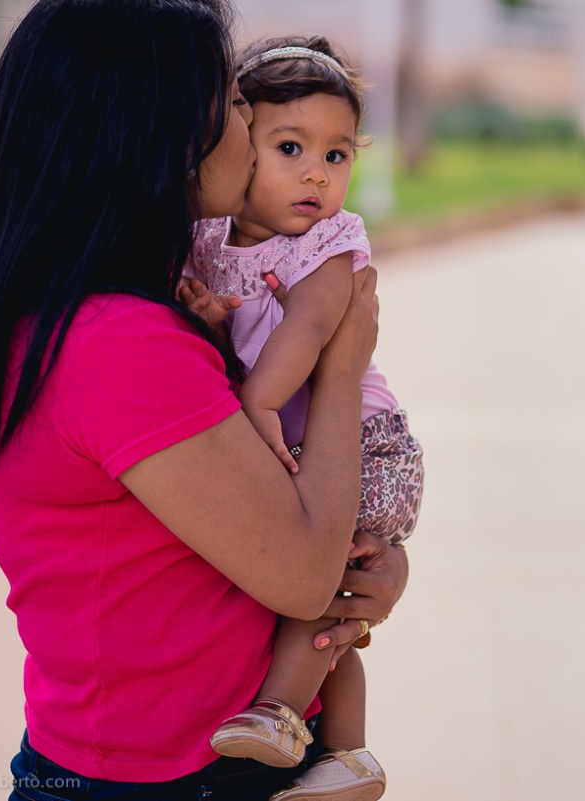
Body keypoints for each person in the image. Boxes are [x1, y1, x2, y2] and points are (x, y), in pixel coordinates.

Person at [0, 2, 408, 800]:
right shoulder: (118, 344)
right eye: (233, 98)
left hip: (155, 760)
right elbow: (302, 572)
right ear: (165, 130)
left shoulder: (103, 307)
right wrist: (342, 370)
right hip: (170, 778)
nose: (252, 118)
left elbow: (267, 533)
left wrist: (372, 563)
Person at [180, 35, 422, 801]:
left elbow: (313, 329)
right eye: (291, 147)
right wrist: (214, 322)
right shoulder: (211, 237)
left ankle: (284, 713)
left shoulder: (328, 242)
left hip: (366, 444)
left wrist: (256, 403)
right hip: (304, 435)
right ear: (238, 145)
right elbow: (238, 334)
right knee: (323, 602)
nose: (318, 172)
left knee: (318, 590)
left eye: (338, 154)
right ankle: (344, 752)